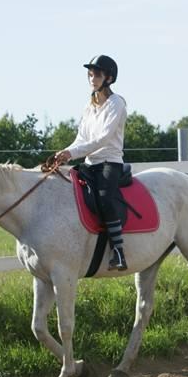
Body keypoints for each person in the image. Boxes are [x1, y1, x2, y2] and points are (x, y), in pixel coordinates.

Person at [55, 54, 128, 271]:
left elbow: (102, 139)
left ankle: (118, 251)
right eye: (90, 74)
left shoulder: (117, 103)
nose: (92, 78)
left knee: (105, 199)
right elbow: (82, 138)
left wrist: (73, 153)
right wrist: (66, 151)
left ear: (109, 78)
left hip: (109, 162)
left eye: (97, 74)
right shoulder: (89, 107)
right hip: (89, 162)